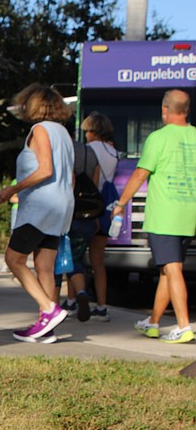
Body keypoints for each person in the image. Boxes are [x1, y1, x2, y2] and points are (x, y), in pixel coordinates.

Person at [0, 83, 74, 342]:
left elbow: (45, 169)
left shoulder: (39, 130)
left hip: (41, 206)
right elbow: (68, 176)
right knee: (44, 267)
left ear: (32, 105)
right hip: (62, 205)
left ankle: (49, 310)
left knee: (14, 259)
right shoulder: (64, 133)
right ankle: (47, 325)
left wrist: (10, 190)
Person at [113, 89, 196, 344]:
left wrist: (121, 203)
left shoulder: (157, 138)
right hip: (189, 214)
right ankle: (153, 322)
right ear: (187, 110)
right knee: (167, 271)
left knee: (172, 268)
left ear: (164, 110)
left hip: (165, 215)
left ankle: (183, 326)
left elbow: (140, 174)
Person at [82, 112, 118, 322]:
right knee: (98, 262)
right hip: (106, 208)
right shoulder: (114, 152)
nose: (86, 135)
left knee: (76, 258)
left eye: (87, 131)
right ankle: (102, 306)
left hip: (88, 206)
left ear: (93, 131)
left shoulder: (89, 150)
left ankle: (72, 300)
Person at [59, 141, 100, 322]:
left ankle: (56, 305)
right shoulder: (90, 152)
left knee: (59, 260)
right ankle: (81, 292)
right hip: (88, 215)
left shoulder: (63, 150)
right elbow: (95, 182)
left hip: (69, 214)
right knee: (76, 259)